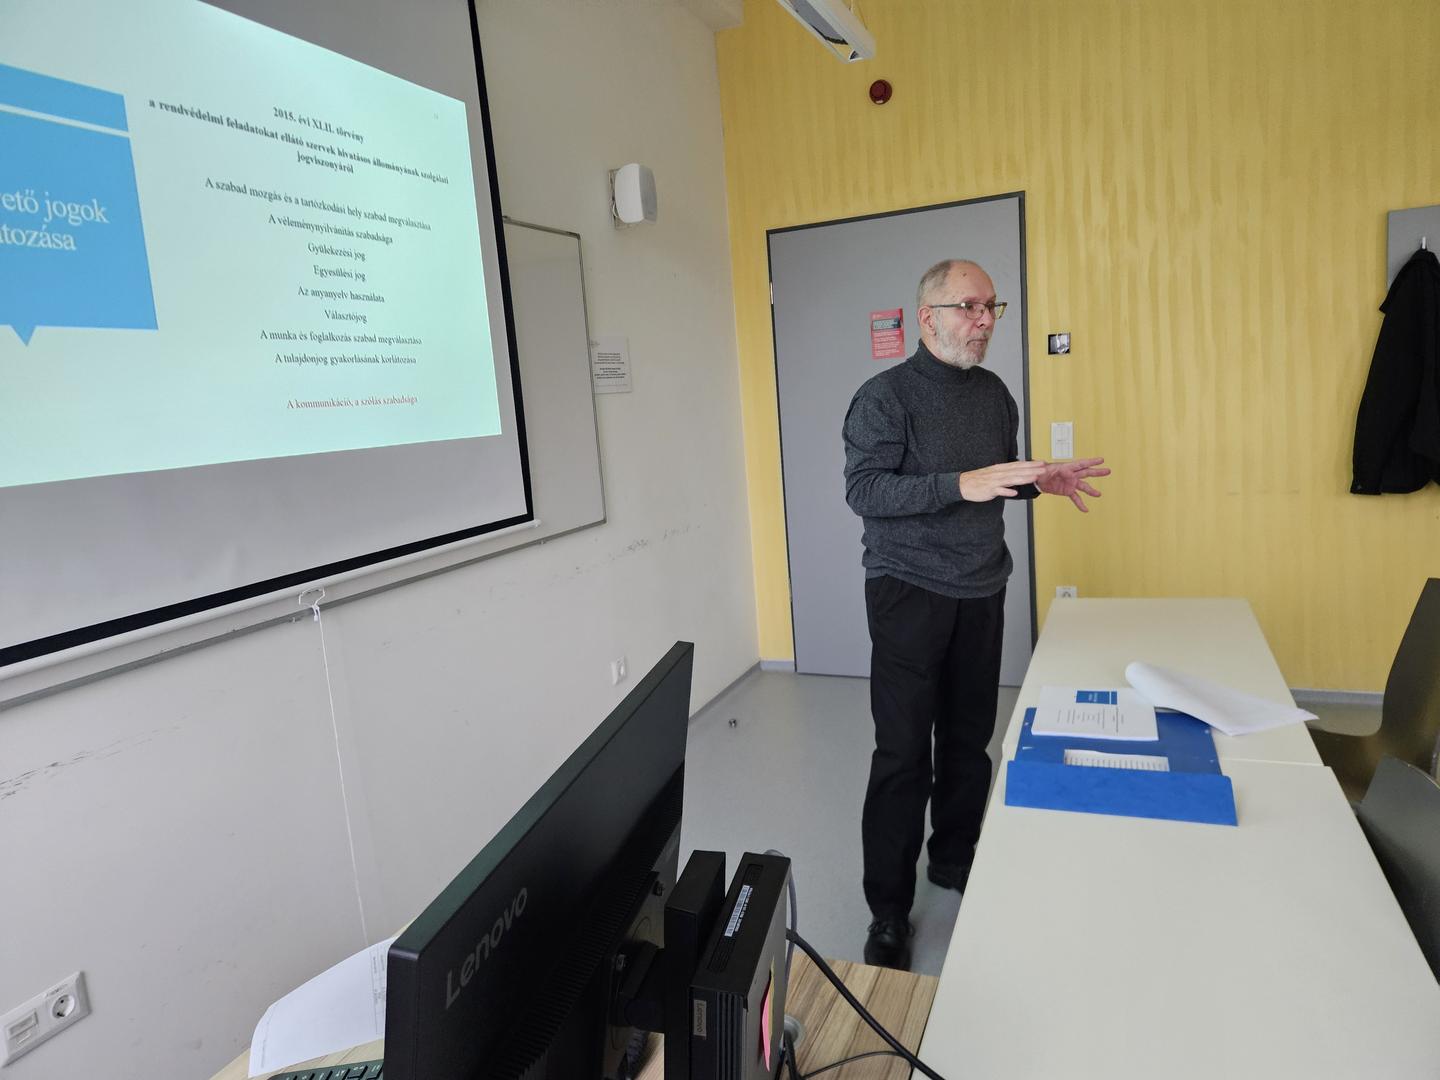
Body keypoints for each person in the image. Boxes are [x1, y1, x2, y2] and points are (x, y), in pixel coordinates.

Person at [842, 258, 1109, 970]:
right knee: (903, 753)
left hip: (982, 588)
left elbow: (995, 482)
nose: (985, 321)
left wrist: (1039, 481)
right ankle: (889, 910)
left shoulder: (993, 395)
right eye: (970, 307)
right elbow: (866, 491)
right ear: (927, 317)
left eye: (992, 307)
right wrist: (960, 483)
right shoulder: (884, 397)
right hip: (907, 591)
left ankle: (955, 858)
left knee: (968, 741)